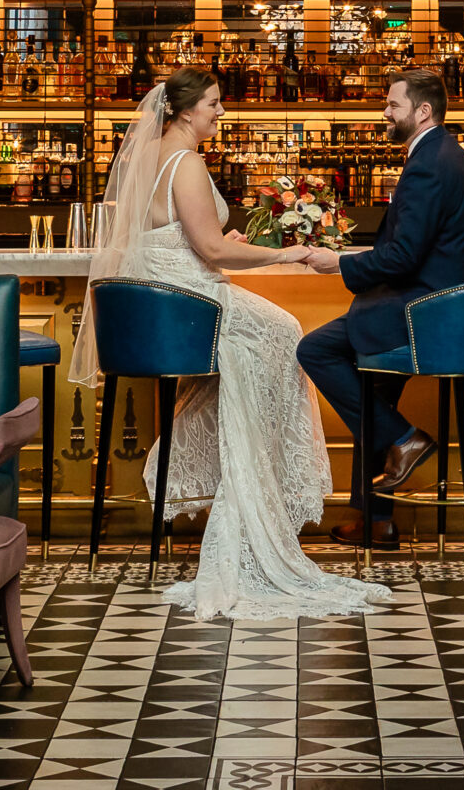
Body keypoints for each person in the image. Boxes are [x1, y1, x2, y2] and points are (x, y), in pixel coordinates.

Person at [71, 67, 391, 620]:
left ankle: (244, 485)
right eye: (215, 104)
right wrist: (281, 254)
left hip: (159, 310)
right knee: (285, 331)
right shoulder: (187, 162)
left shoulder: (146, 160)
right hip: (191, 305)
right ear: (186, 110)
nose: (221, 113)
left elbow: (180, 239)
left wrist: (222, 243)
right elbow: (213, 257)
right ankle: (257, 494)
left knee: (259, 347)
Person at [294, 67, 464, 549]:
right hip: (442, 311)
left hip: (424, 314)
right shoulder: (446, 155)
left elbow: (404, 255)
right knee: (372, 395)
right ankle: (375, 519)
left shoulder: (429, 163)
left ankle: (405, 439)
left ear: (422, 111)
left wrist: (339, 263)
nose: (385, 112)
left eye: (393, 105)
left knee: (315, 350)